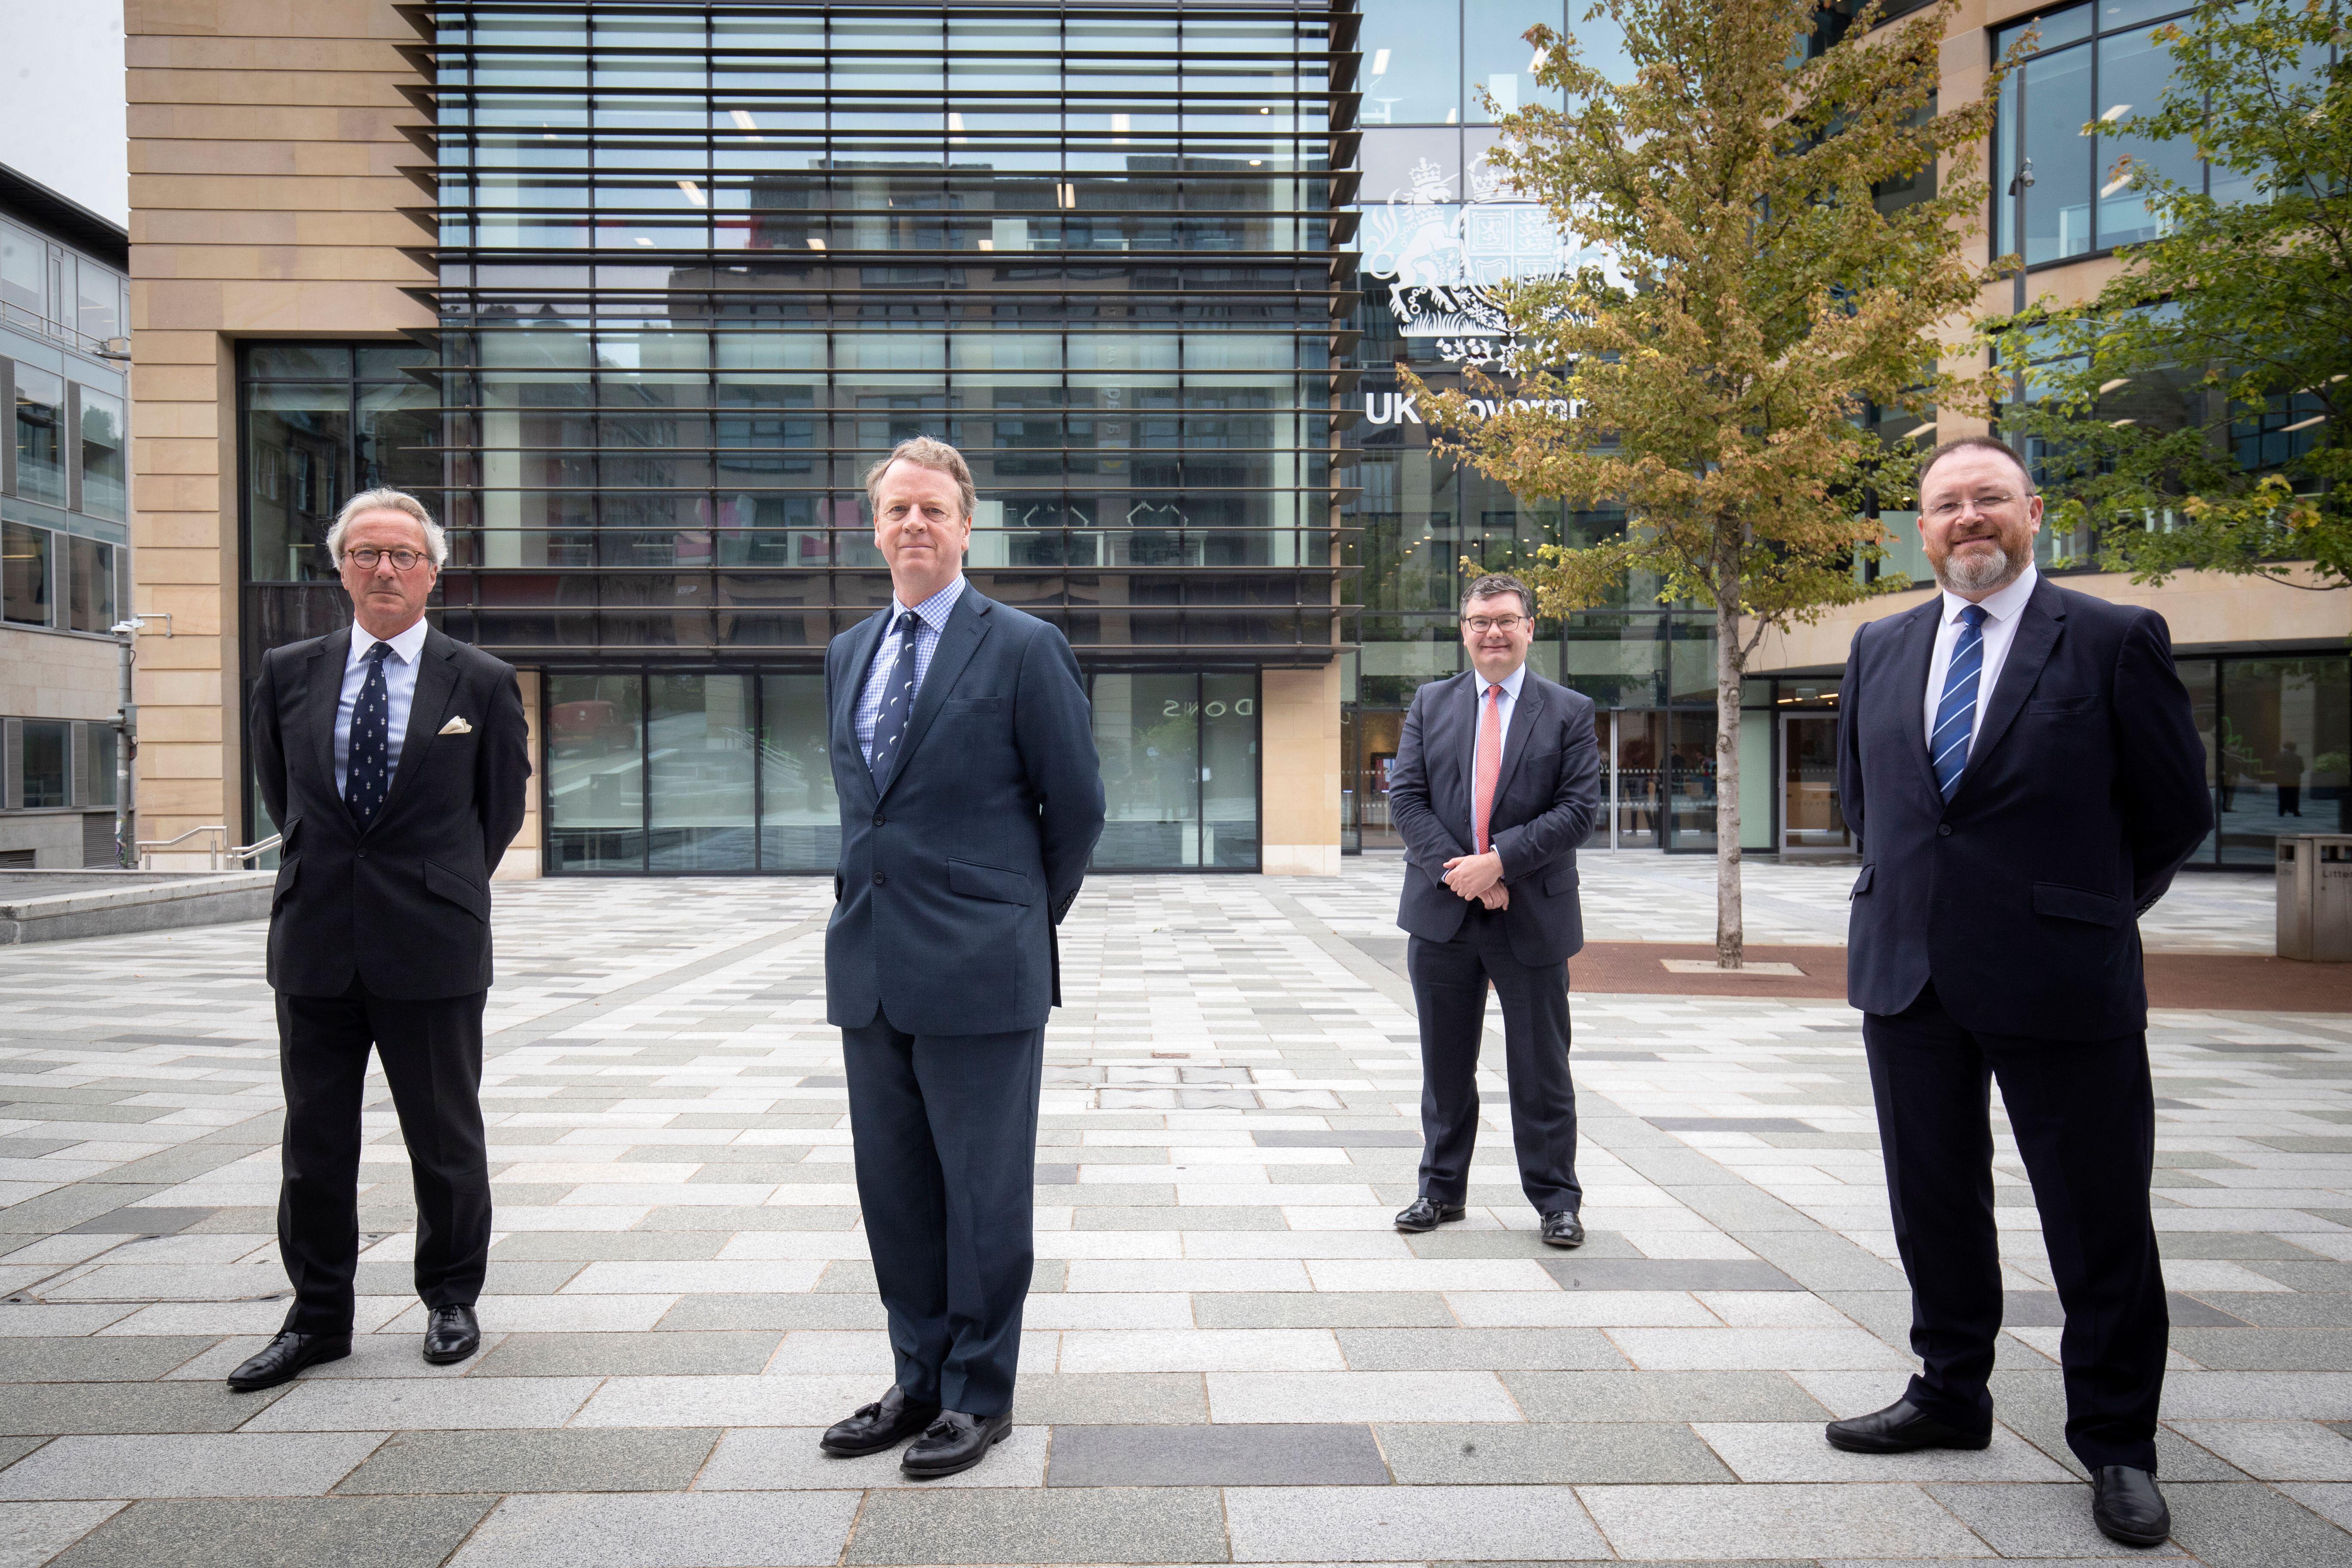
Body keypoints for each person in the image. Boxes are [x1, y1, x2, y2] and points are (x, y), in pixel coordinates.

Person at [1831, 436, 2211, 1548]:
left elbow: (2174, 811)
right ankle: (1950, 1392)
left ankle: (2117, 1444)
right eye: (1947, 504)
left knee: (2096, 1219)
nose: (1969, 519)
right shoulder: (1880, 646)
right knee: (1932, 1202)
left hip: (2062, 977)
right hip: (1908, 975)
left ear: (2033, 511)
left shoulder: (2109, 639)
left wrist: (2082, 910)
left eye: (1989, 497)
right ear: (1922, 528)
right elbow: (1873, 802)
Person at [816, 436, 1104, 1479]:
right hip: (872, 970)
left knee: (982, 1199)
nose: (913, 526)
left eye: (933, 509)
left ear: (966, 524)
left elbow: (1075, 812)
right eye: (896, 509)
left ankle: (980, 1396)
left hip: (982, 974)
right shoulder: (848, 653)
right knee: (894, 1193)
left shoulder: (1023, 647)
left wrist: (1015, 925)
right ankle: (918, 1380)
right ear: (873, 524)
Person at [231, 489, 531, 1392]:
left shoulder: (477, 679)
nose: (385, 569)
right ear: (340, 568)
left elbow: (500, 811)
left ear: (434, 571)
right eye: (367, 553)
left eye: (404, 555)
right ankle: (318, 1316)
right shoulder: (288, 670)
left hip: (432, 945)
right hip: (317, 939)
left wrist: (435, 886)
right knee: (314, 1144)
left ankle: (450, 1298)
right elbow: (286, 798)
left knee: (444, 1138)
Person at [1384, 572, 1602, 1248]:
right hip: (1444, 915)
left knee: (1541, 1068)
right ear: (1465, 630)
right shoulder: (1431, 702)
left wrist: (1500, 863)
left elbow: (1577, 812)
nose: (1493, 633)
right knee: (1444, 1066)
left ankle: (1557, 1200)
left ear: (1529, 628)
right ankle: (1440, 1191)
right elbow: (1406, 801)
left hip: (1532, 914)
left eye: (1506, 620)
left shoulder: (1568, 710)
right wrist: (1468, 878)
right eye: (1480, 621)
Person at [2278, 740, 2305, 818]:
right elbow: (2302, 769)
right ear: (2294, 748)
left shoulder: (2279, 756)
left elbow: (2276, 768)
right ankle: (2295, 811)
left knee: (2282, 796)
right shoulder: (2298, 757)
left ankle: (2282, 811)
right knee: (2295, 796)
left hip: (2282, 780)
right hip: (2294, 780)